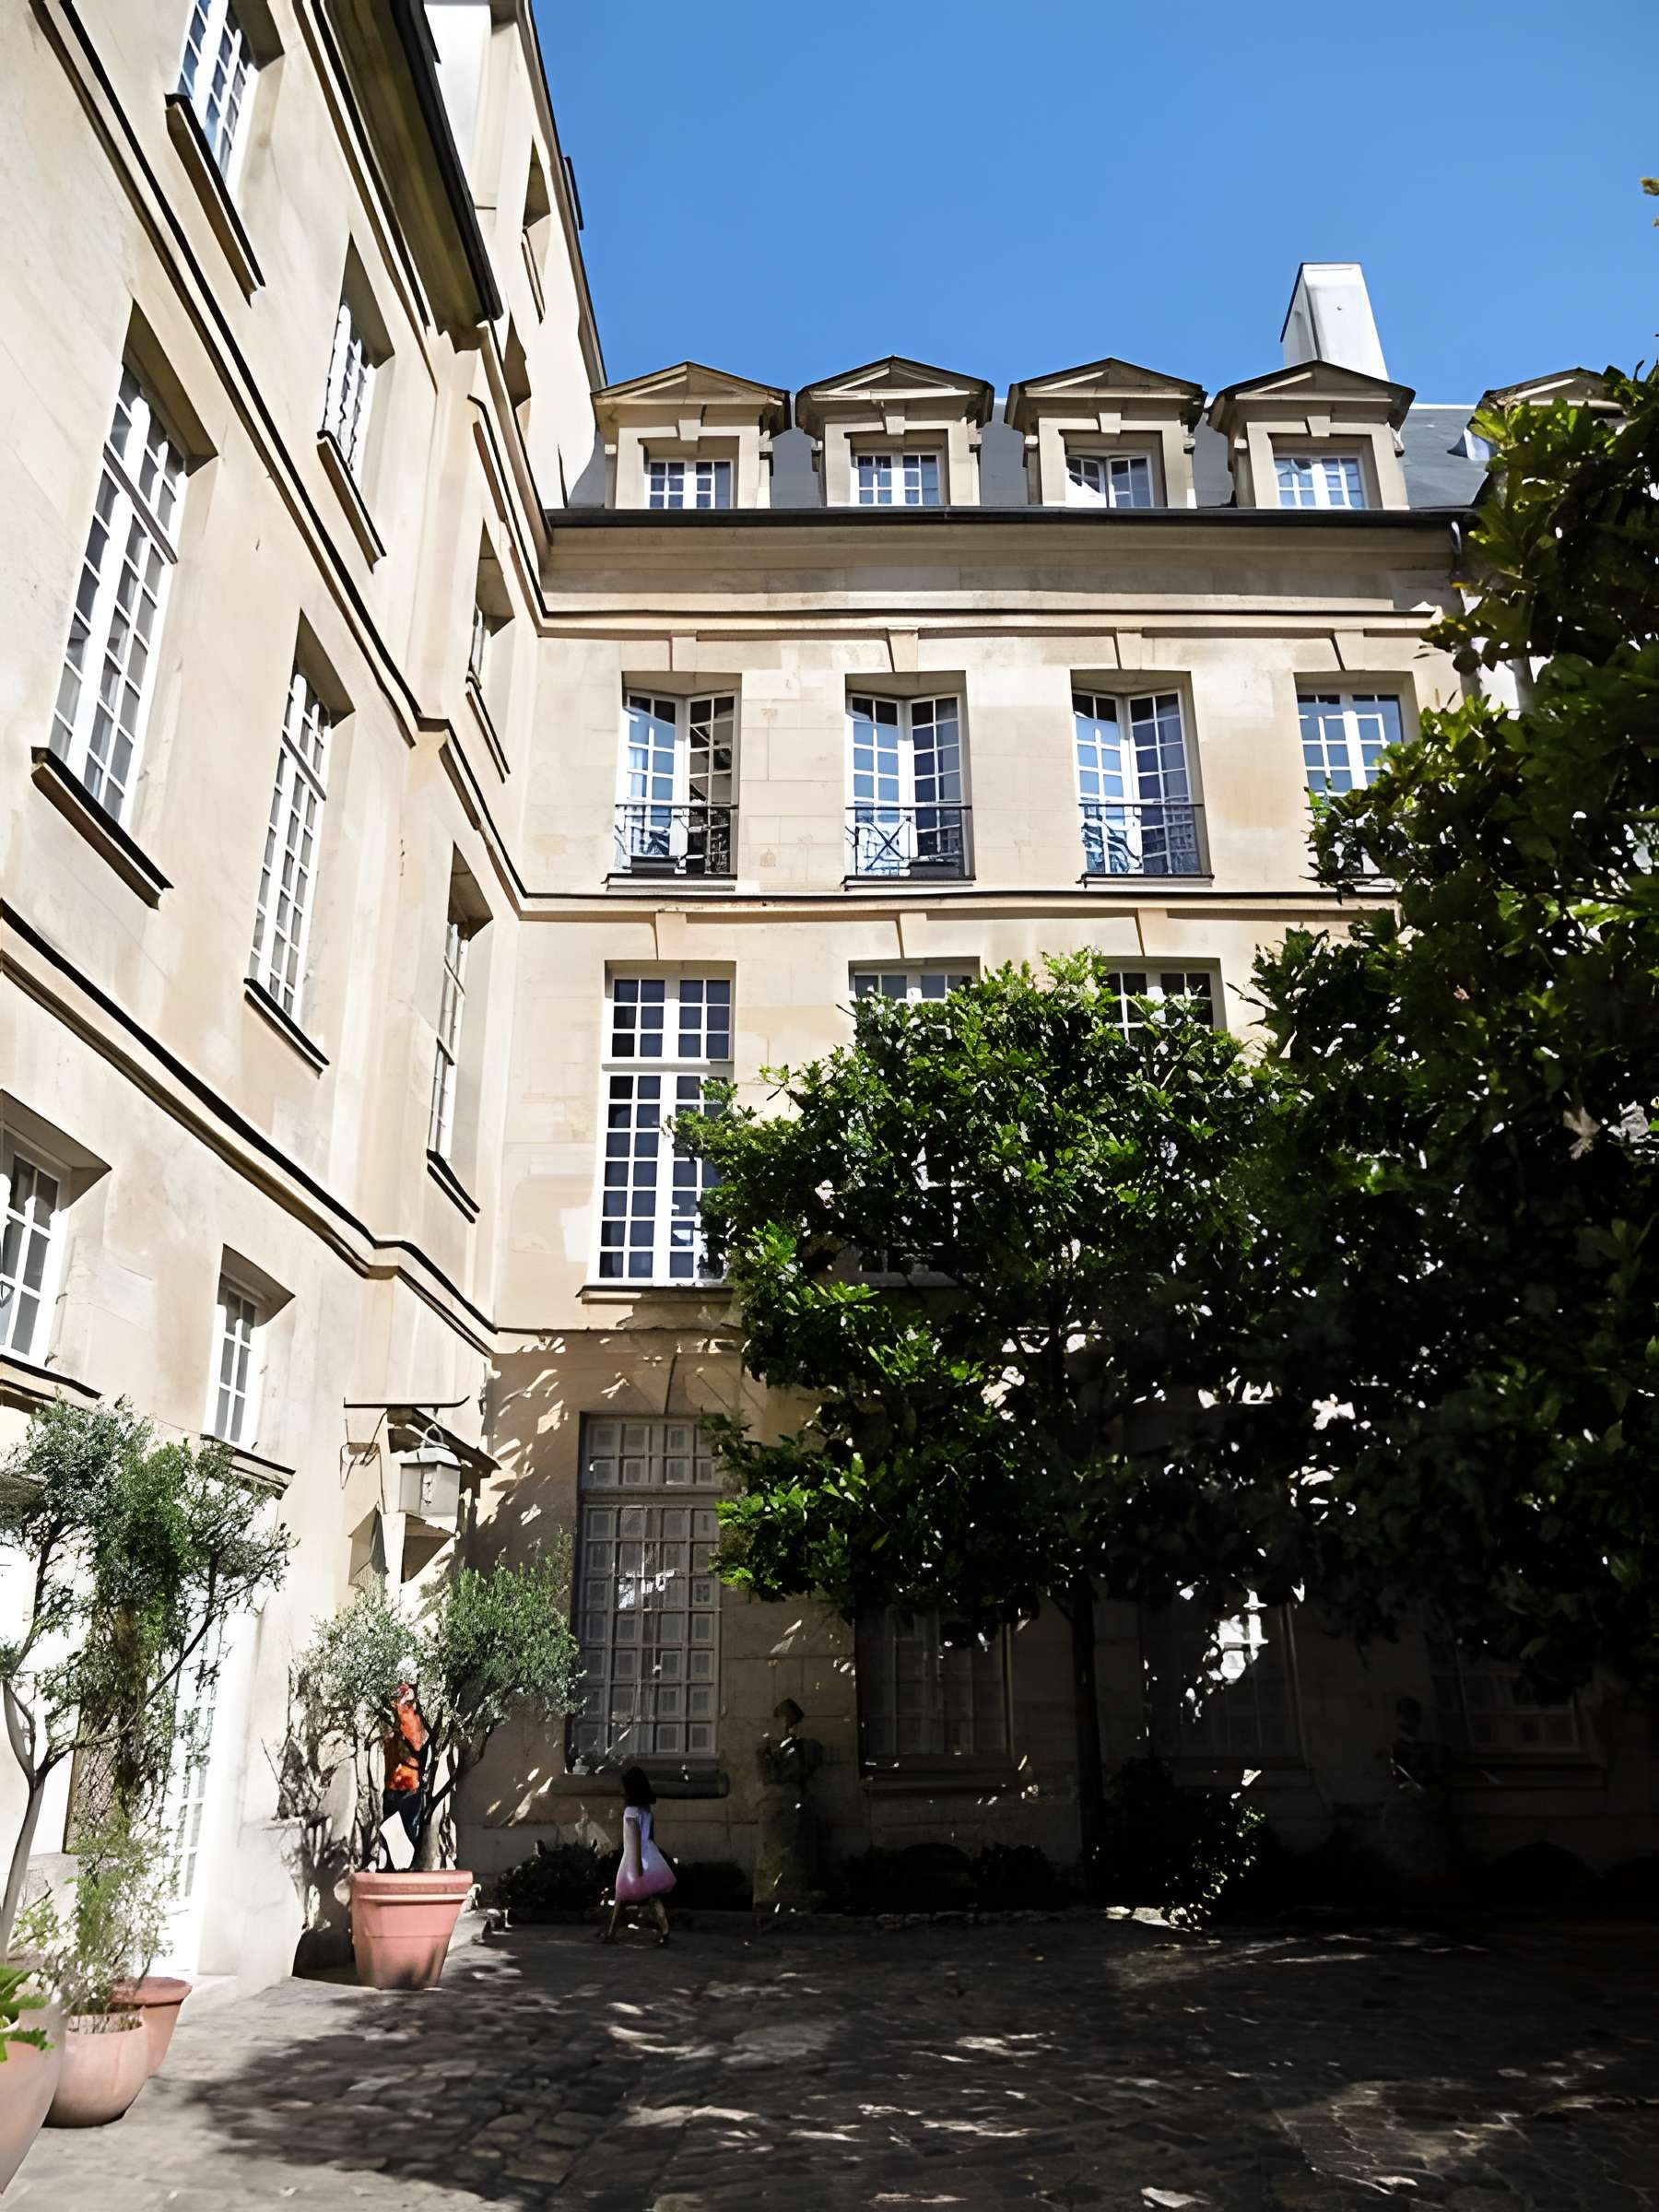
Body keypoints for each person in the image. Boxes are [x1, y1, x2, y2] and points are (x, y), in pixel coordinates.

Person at [603, 1765, 675, 1945]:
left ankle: (611, 1933)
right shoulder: (646, 1811)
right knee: (654, 1896)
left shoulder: (630, 1813)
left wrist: (637, 1866)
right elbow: (649, 1837)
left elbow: (633, 1841)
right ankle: (665, 1931)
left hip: (634, 1857)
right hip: (649, 1854)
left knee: (620, 1895)